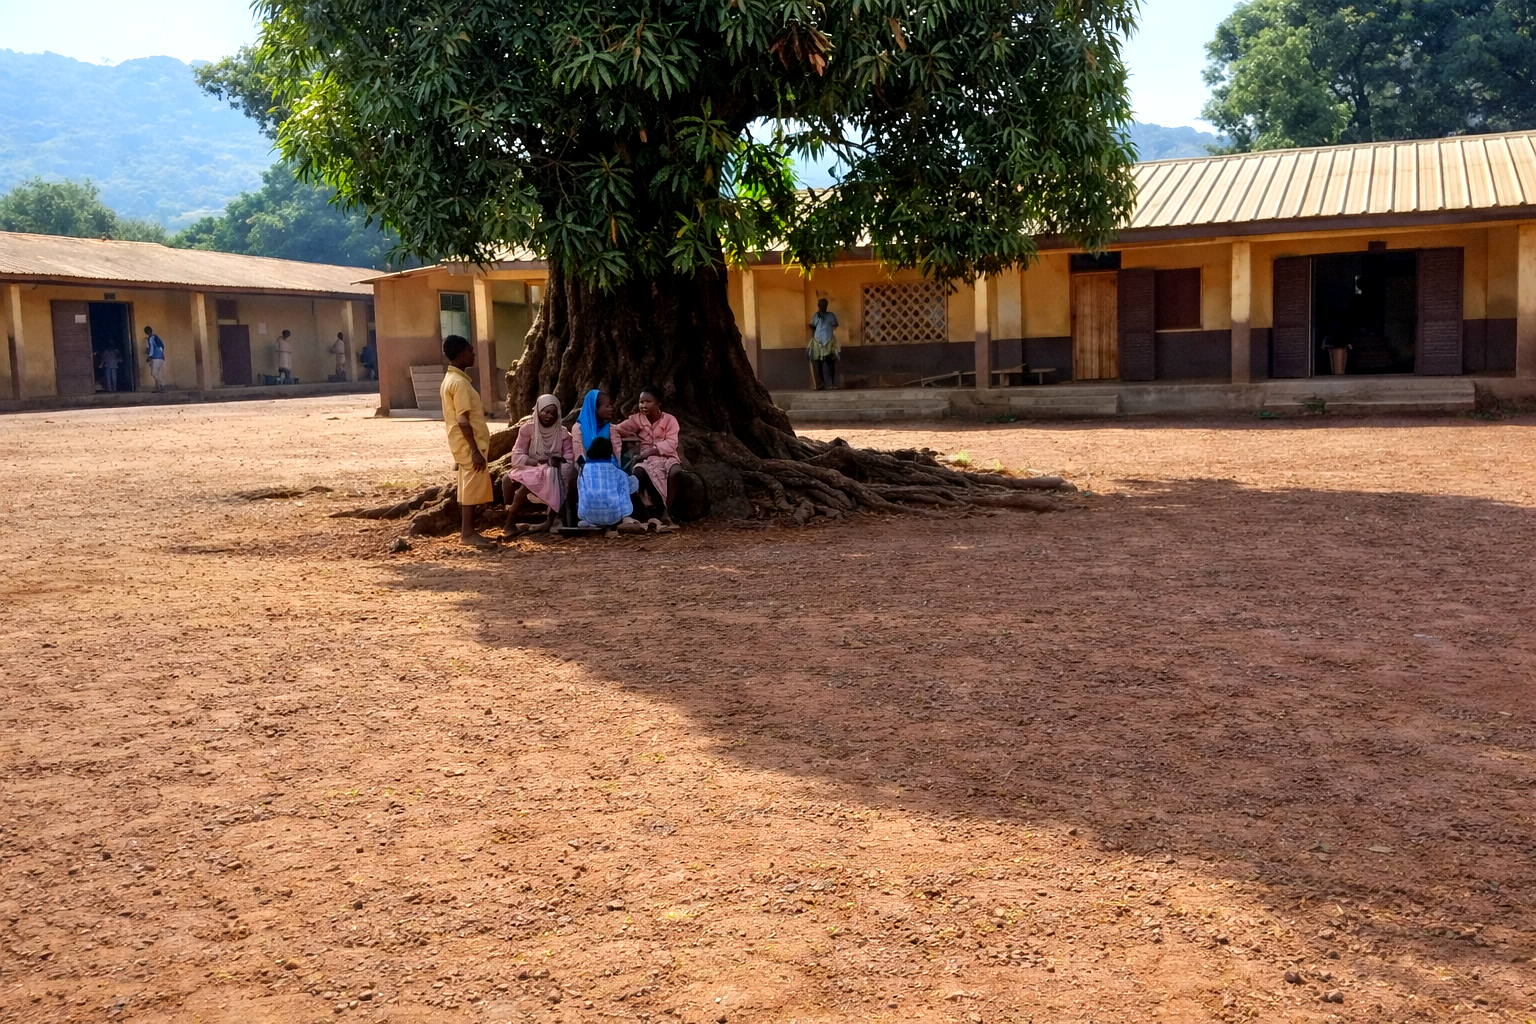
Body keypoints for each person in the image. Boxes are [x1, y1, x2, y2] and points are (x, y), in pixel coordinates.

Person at [439, 334, 496, 548]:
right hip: (469, 443)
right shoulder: (459, 383)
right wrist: (474, 449)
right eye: (471, 351)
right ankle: (468, 533)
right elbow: (463, 419)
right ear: (461, 354)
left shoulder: (451, 380)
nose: (473, 354)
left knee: (466, 487)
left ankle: (468, 531)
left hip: (461, 442)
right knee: (472, 486)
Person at [502, 393, 576, 534]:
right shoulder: (527, 429)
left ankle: (549, 522)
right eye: (546, 412)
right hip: (531, 467)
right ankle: (510, 523)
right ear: (538, 410)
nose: (549, 416)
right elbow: (517, 455)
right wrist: (537, 461)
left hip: (554, 469)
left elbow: (569, 457)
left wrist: (557, 465)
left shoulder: (562, 433)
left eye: (553, 414)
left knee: (552, 477)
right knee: (526, 483)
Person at [613, 385, 682, 524]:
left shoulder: (670, 420)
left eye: (648, 402)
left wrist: (653, 450)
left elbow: (672, 443)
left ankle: (666, 512)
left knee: (675, 472)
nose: (643, 405)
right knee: (638, 474)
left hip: (667, 457)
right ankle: (643, 513)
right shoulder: (637, 419)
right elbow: (618, 429)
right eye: (641, 402)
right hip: (646, 460)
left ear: (659, 403)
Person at [571, 389, 638, 530]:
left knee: (620, 482)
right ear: (595, 408)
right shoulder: (579, 428)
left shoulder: (610, 428)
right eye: (607, 406)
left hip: (610, 465)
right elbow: (579, 453)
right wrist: (584, 469)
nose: (611, 408)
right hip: (588, 467)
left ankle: (619, 516)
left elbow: (622, 442)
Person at [808, 297, 839, 390]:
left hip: (828, 341)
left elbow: (835, 325)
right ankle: (821, 384)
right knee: (819, 364)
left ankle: (831, 384)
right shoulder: (816, 315)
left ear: (827, 306)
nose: (823, 306)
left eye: (825, 305)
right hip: (818, 341)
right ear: (818, 306)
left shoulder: (831, 315)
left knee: (830, 364)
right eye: (821, 305)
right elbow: (813, 326)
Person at [143, 326, 166, 392]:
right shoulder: (157, 337)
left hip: (155, 358)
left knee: (153, 373)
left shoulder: (151, 338)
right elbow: (162, 346)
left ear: (146, 332)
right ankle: (159, 388)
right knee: (158, 373)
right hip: (161, 358)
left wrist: (149, 356)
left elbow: (152, 348)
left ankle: (162, 383)